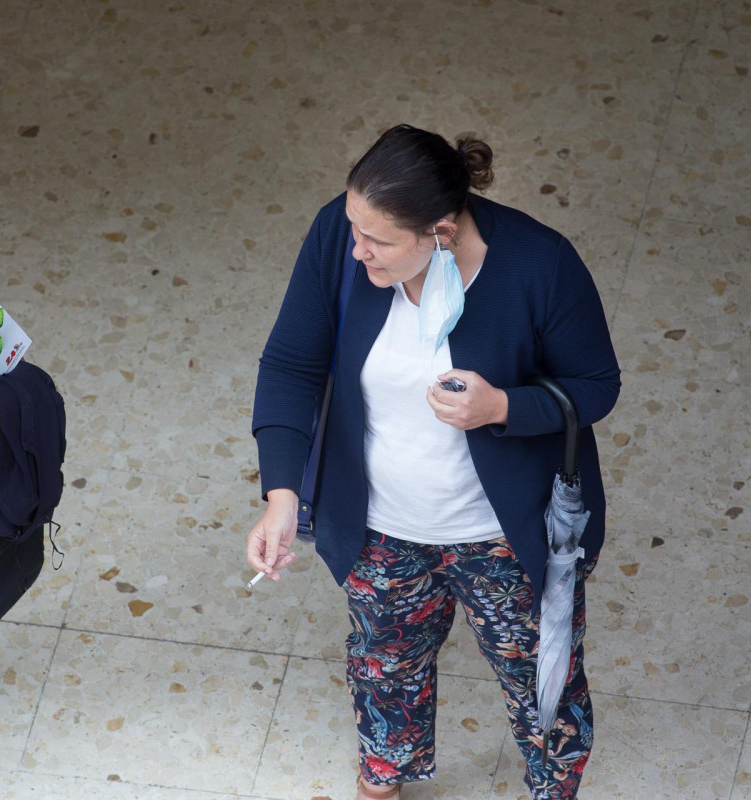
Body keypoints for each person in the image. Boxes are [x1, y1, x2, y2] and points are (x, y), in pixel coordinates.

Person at [247, 124, 620, 800]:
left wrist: (503, 407)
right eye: (354, 227)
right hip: (380, 527)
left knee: (543, 683)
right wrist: (280, 496)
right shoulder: (342, 233)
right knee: (384, 669)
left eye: (379, 241)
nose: (355, 249)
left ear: (441, 231)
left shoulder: (540, 263)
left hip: (506, 535)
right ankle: (383, 783)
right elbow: (290, 364)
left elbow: (597, 386)